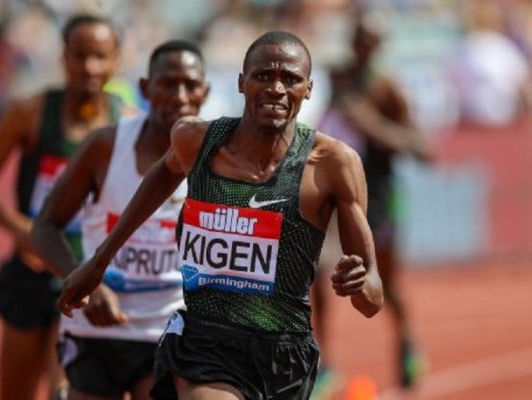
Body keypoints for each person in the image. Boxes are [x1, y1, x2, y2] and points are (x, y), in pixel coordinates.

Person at [58, 31, 384, 400]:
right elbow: (161, 176)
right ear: (242, 82)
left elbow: (372, 300)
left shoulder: (334, 164)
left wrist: (358, 282)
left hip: (284, 355)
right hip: (204, 344)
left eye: (290, 79)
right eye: (263, 76)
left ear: (308, 89)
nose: (276, 88)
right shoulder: (196, 141)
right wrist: (99, 262)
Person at [31, 40, 210, 400]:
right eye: (167, 83)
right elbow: (44, 226)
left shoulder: (217, 157)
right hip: (97, 331)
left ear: (204, 92)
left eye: (190, 85)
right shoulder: (106, 146)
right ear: (145, 88)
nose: (179, 96)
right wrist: (86, 285)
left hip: (168, 330)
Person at [0, 14, 121, 400]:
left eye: (100, 57)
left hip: (86, 277)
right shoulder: (29, 113)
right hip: (31, 273)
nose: (90, 67)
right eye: (80, 56)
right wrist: (20, 228)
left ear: (116, 60)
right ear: (63, 58)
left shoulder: (126, 121)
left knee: (63, 390)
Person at [315, 16, 430, 390]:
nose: (362, 47)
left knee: (386, 281)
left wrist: (372, 124)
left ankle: (408, 341)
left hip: (379, 195)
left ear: (380, 45)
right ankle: (324, 363)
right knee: (319, 271)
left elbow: (422, 149)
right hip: (336, 191)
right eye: (358, 39)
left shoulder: (388, 88)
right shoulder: (339, 78)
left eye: (370, 41)